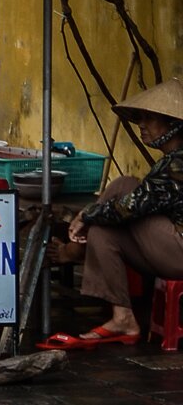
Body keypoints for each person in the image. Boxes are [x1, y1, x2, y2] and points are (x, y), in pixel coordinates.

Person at [38, 77, 183, 350]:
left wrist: (86, 215)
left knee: (124, 187)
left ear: (173, 125)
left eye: (149, 118)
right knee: (103, 232)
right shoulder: (170, 161)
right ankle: (122, 317)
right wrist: (93, 219)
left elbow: (132, 205)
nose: (141, 124)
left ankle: (75, 250)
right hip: (171, 249)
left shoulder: (179, 164)